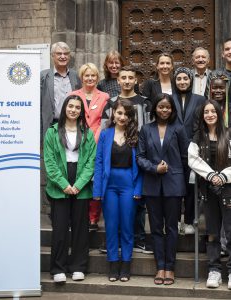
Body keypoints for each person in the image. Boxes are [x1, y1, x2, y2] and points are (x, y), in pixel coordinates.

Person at [188, 100, 231, 290]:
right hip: (208, 191)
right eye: (206, 112)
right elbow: (193, 159)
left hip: (229, 189)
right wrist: (211, 175)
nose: (210, 114)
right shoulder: (199, 137)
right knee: (212, 232)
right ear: (202, 115)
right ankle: (214, 269)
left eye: (213, 111)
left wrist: (223, 176)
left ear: (219, 113)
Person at [137, 93, 189, 285]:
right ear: (155, 108)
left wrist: (181, 181)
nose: (164, 110)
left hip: (174, 186)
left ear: (172, 109)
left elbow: (185, 159)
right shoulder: (145, 129)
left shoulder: (179, 129)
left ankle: (170, 267)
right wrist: (154, 168)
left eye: (167, 107)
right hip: (151, 185)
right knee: (156, 229)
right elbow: (140, 157)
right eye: (161, 107)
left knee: (172, 228)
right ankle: (160, 267)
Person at [43, 95, 96, 283]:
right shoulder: (52, 132)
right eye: (70, 106)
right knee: (60, 228)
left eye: (77, 107)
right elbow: (49, 162)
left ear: (82, 111)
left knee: (81, 227)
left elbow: (91, 161)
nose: (73, 110)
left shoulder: (87, 133)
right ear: (65, 108)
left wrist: (79, 184)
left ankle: (78, 267)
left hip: (80, 181)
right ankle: (58, 268)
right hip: (60, 182)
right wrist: (64, 184)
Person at [101, 65, 152, 254]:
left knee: (138, 202)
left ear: (136, 80)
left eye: (131, 77)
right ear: (118, 80)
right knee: (113, 207)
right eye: (124, 78)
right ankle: (113, 240)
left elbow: (149, 128)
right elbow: (104, 126)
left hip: (138, 152)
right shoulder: (111, 102)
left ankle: (138, 239)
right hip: (116, 152)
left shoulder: (145, 102)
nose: (128, 81)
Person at [93, 98, 143, 282]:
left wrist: (138, 188)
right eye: (119, 113)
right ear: (113, 113)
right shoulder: (105, 135)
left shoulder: (136, 135)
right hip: (109, 186)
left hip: (128, 185)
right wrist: (97, 190)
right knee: (111, 225)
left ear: (131, 117)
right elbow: (98, 163)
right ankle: (113, 263)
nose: (122, 117)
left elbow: (140, 165)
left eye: (126, 114)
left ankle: (126, 264)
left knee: (127, 226)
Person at [69, 63, 110, 229]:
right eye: (87, 75)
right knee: (78, 178)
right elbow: (71, 116)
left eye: (93, 75)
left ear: (97, 78)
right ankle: (77, 217)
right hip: (76, 142)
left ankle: (93, 218)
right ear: (81, 77)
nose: (90, 78)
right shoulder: (73, 95)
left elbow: (104, 121)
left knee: (94, 180)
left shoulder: (105, 96)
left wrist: (94, 138)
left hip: (98, 142)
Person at [172, 67, 206, 234]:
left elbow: (202, 123)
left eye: (186, 78)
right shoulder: (169, 99)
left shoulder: (200, 99)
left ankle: (191, 221)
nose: (182, 82)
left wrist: (196, 143)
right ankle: (176, 220)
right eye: (179, 79)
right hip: (173, 151)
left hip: (193, 150)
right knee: (176, 187)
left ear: (190, 81)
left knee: (192, 187)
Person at [40, 42, 82, 138]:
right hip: (51, 126)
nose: (63, 56)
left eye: (66, 53)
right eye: (59, 54)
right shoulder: (43, 76)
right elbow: (39, 106)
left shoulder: (75, 76)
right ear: (52, 56)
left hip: (72, 126)